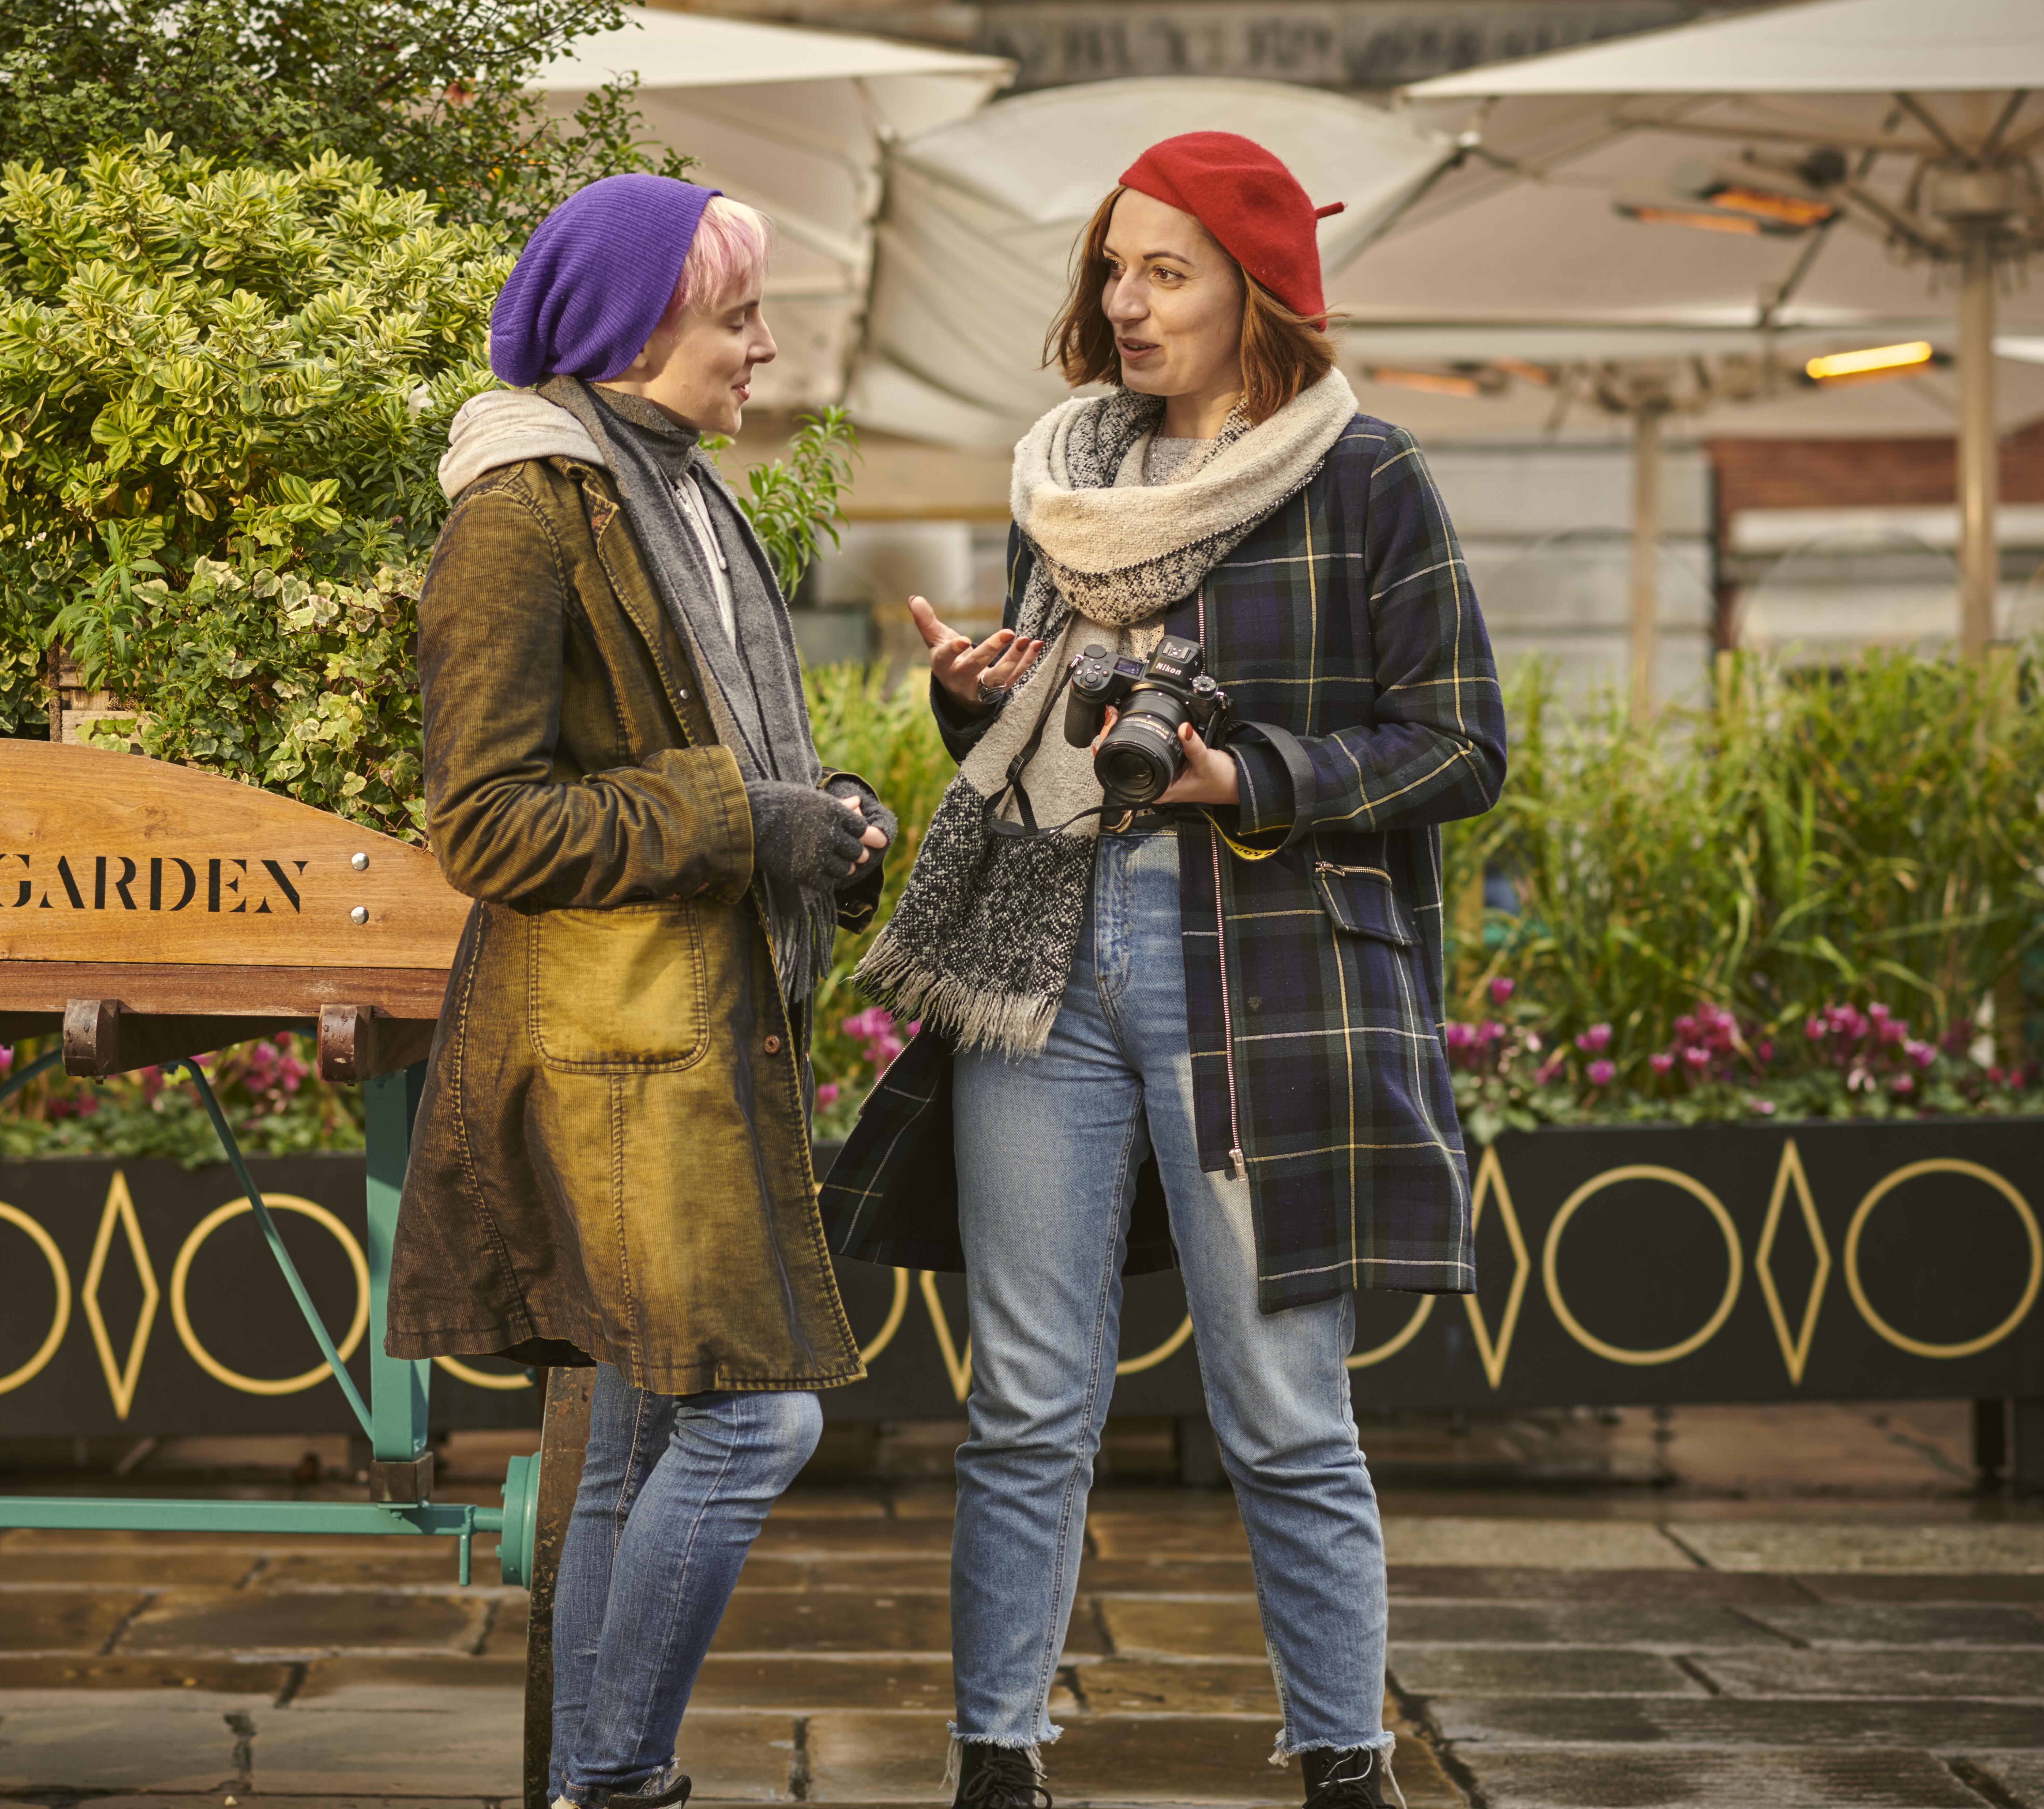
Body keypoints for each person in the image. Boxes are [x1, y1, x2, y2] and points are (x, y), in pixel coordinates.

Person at [826, 133, 1507, 1809]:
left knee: (1281, 1405)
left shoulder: (1369, 479)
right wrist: (982, 704)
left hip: (1258, 970)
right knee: (1026, 1404)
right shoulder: (1067, 474)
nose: (1125, 304)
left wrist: (1247, 776)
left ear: (1257, 294)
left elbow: (1461, 743)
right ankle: (998, 1758)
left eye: (1166, 273)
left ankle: (1347, 1762)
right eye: (1113, 270)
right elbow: (1053, 738)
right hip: (1042, 966)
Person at [385, 174, 897, 1809]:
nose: (764, 348)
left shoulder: (673, 489)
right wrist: (748, 820)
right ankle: (617, 1776)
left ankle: (594, 1783)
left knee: (629, 1444)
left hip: (688, 1024)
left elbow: (731, 755)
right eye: (736, 316)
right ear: (633, 326)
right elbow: (483, 819)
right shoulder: (524, 511)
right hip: (611, 1047)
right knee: (756, 1427)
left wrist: (823, 826)